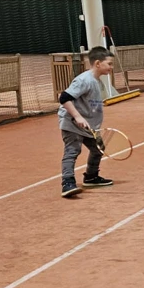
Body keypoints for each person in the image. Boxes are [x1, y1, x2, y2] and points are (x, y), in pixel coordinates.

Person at [57, 47, 116, 198]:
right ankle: (67, 183)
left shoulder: (98, 82)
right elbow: (64, 98)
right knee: (72, 151)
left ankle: (91, 177)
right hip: (72, 123)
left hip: (89, 126)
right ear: (97, 63)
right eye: (109, 63)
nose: (111, 67)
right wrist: (78, 117)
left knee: (98, 148)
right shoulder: (84, 80)